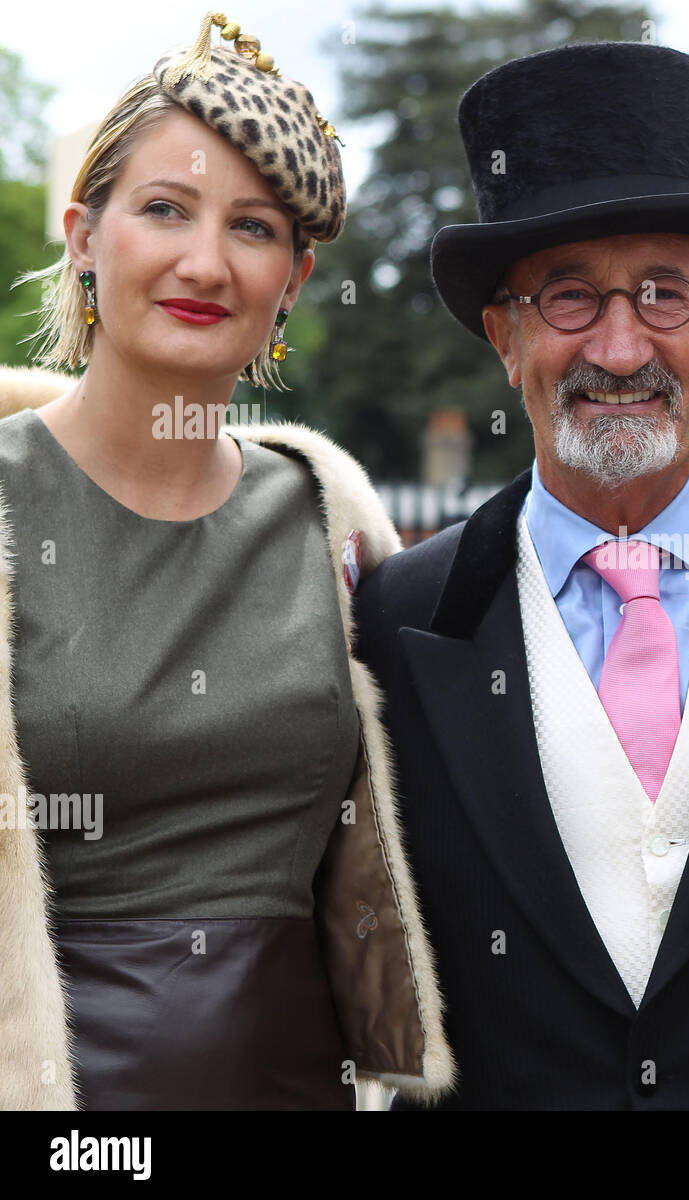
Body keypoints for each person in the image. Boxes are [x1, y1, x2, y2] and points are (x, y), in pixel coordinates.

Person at [353, 41, 689, 1110]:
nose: (622, 346)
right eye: (568, 298)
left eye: (663, 294)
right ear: (505, 337)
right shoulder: (403, 616)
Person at [0, 13, 453, 1109]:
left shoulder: (326, 510)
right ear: (83, 234)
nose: (205, 262)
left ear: (293, 281)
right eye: (163, 210)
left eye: (252, 228)